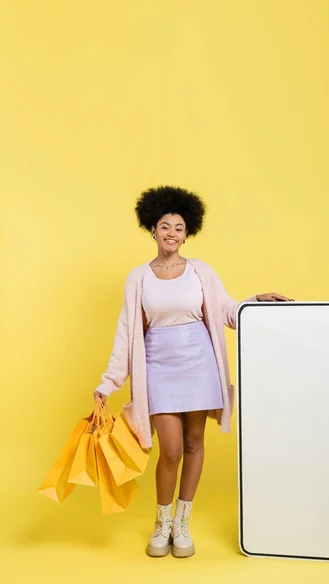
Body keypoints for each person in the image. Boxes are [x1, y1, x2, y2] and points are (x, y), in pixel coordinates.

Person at [93, 185, 294, 558]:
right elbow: (127, 330)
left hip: (199, 365)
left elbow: (224, 310)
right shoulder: (138, 278)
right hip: (158, 367)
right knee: (169, 449)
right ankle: (162, 524)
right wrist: (109, 382)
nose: (172, 233)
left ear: (188, 233)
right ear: (152, 229)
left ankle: (182, 523)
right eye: (165, 226)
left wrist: (255, 303)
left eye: (179, 227)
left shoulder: (201, 271)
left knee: (192, 444)